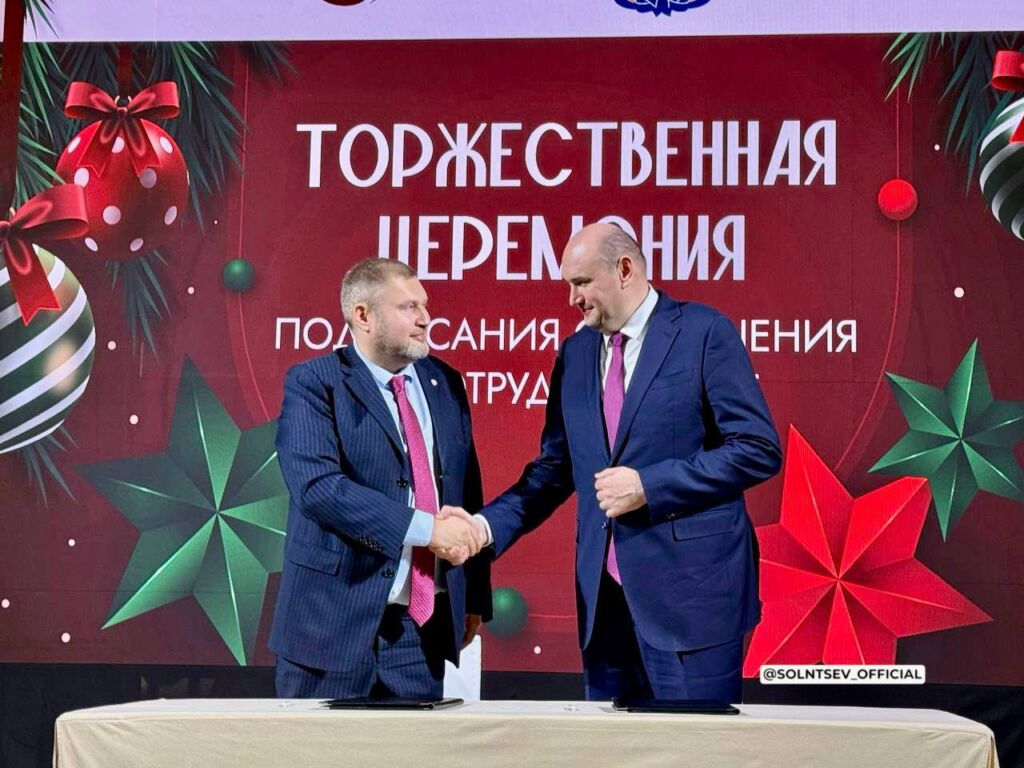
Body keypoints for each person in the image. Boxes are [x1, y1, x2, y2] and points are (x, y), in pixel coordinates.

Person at [442, 222, 781, 703]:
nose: (572, 299)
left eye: (581, 283)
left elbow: (757, 448)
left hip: (693, 601)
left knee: (695, 744)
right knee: (609, 743)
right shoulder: (576, 352)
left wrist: (649, 485)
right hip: (604, 606)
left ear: (624, 269)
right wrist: (483, 528)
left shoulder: (704, 332)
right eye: (569, 285)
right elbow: (555, 469)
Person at [270, 257, 490, 699]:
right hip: (328, 628)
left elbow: (466, 487)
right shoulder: (314, 383)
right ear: (363, 315)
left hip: (420, 633)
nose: (425, 318)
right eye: (408, 307)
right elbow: (318, 489)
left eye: (425, 305)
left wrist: (473, 598)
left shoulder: (444, 381)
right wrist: (428, 531)